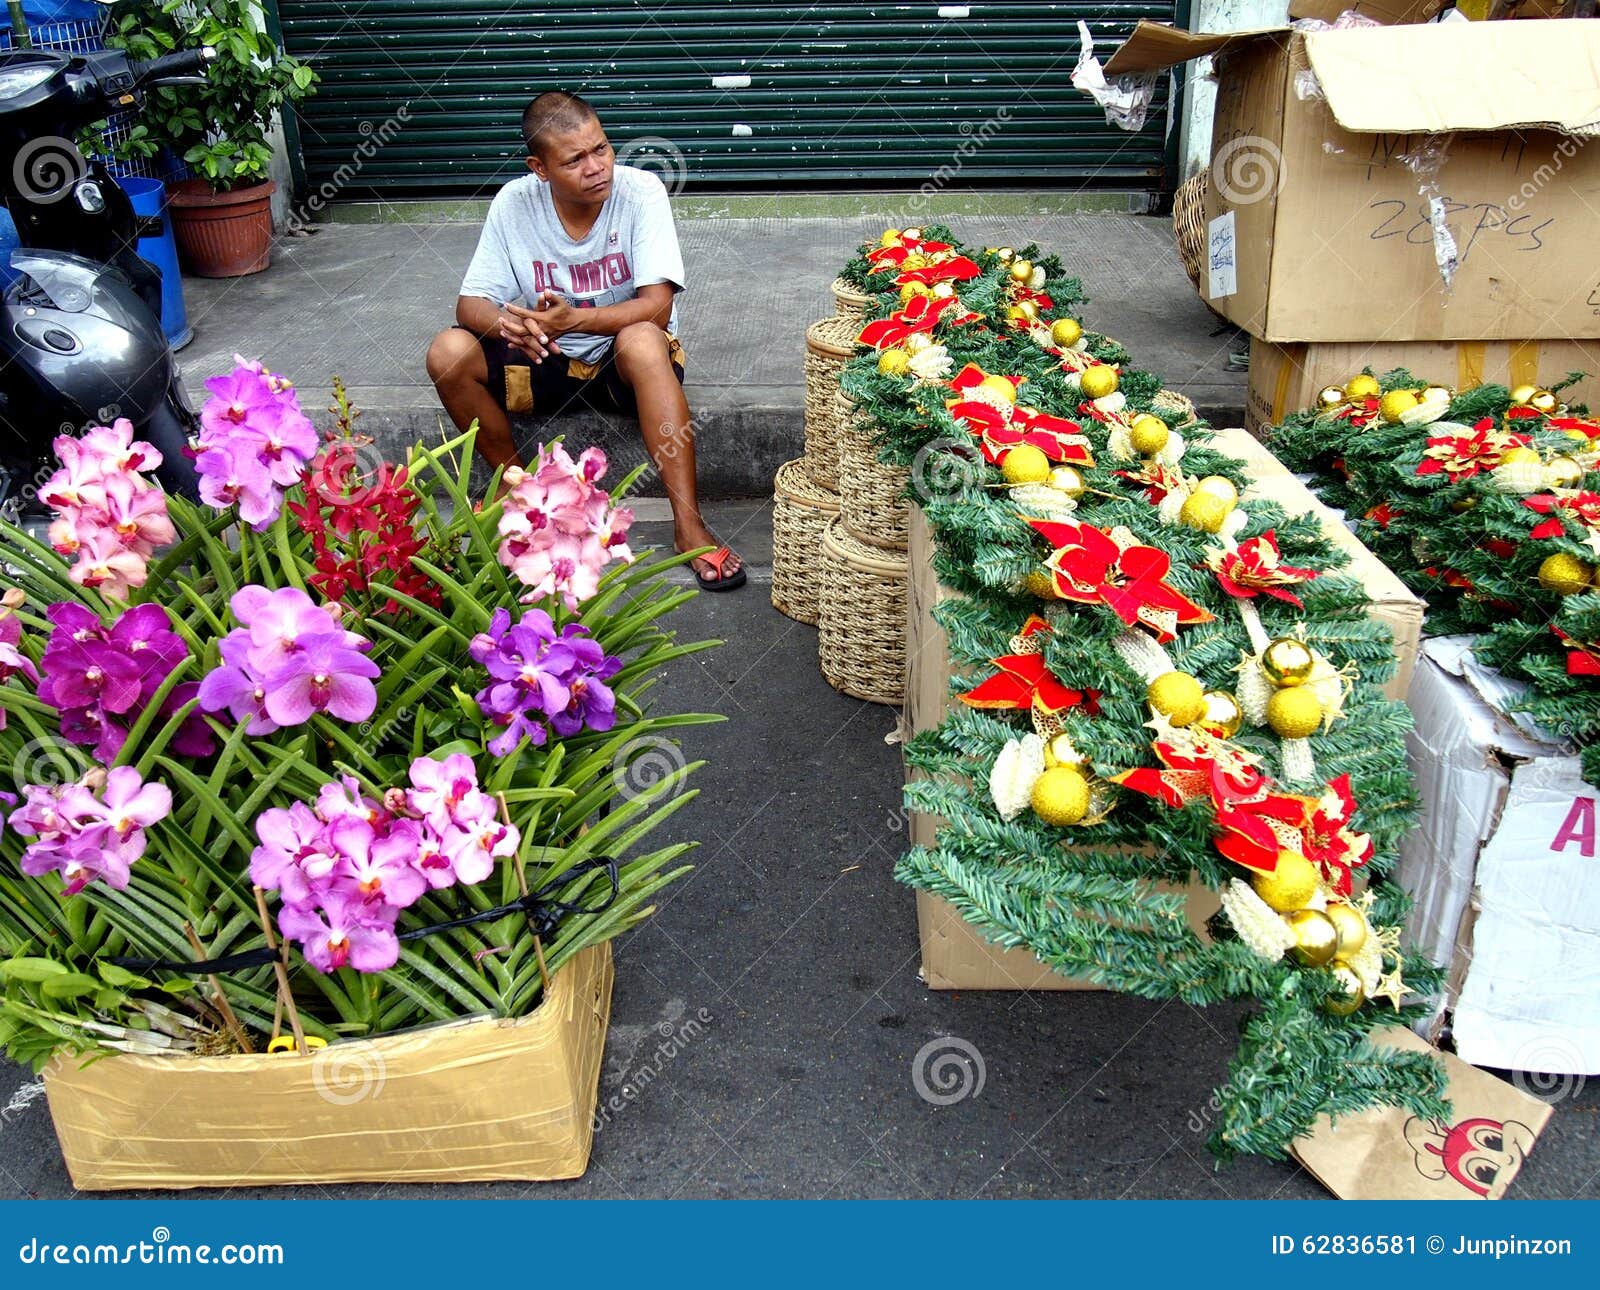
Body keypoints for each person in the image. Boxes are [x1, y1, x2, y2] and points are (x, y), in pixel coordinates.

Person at [426, 90, 745, 591]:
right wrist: (511, 325)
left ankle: (687, 523)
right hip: (546, 360)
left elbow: (657, 308)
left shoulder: (641, 192)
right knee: (448, 350)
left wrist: (573, 320)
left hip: (624, 367)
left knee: (642, 337)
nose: (597, 167)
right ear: (540, 167)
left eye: (602, 148)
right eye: (575, 159)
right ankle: (525, 497)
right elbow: (470, 305)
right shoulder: (514, 203)